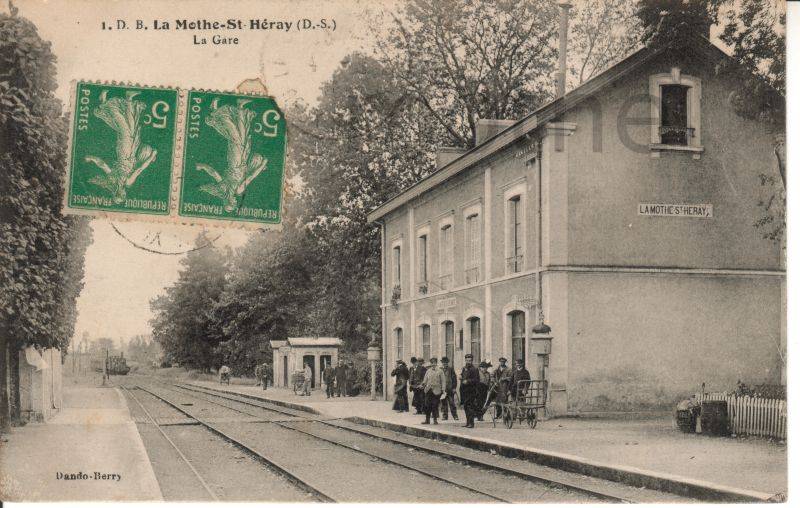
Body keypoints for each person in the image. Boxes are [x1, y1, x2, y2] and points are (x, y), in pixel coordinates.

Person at [420, 357, 446, 424]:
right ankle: (427, 420)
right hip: (428, 390)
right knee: (427, 405)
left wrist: (443, 390)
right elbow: (425, 380)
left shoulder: (440, 371)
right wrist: (422, 385)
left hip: (437, 391)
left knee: (435, 405)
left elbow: (443, 381)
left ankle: (435, 420)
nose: (433, 364)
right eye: (432, 363)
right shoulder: (428, 371)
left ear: (436, 363)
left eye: (434, 362)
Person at [459, 354, 480, 428]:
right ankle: (467, 422)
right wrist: (460, 376)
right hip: (464, 391)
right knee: (466, 407)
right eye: (467, 360)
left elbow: (476, 380)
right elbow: (462, 375)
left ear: (472, 361)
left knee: (470, 407)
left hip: (471, 391)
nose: (468, 362)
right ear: (465, 360)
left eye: (470, 360)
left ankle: (471, 423)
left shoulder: (474, 369)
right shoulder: (464, 368)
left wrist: (467, 381)